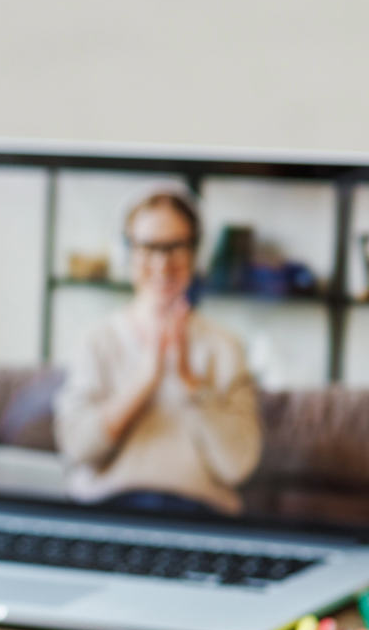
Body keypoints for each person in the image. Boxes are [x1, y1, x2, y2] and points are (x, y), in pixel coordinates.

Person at [54, 183, 262, 515]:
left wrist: (191, 383)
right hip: (106, 509)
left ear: (195, 253)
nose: (163, 265)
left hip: (198, 515)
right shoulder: (95, 340)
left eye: (176, 247)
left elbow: (237, 466)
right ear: (127, 251)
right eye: (148, 247)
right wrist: (145, 379)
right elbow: (78, 450)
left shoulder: (224, 346)